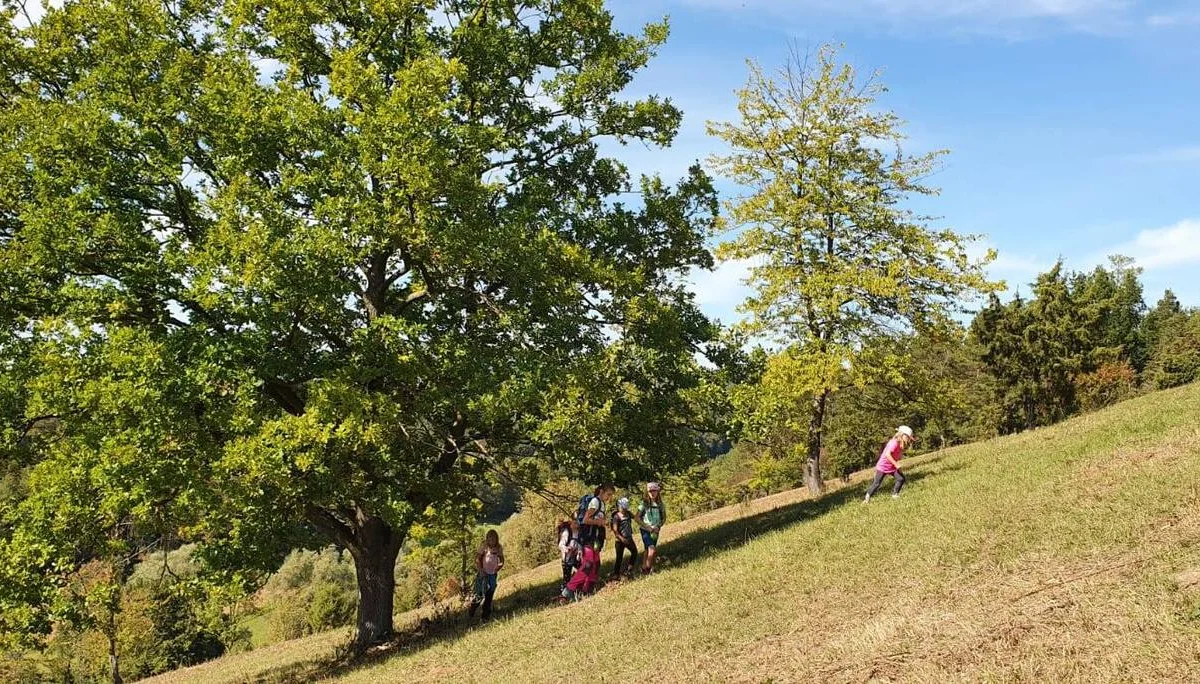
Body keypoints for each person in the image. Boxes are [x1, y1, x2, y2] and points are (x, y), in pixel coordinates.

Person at [864, 425, 915, 503]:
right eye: (908, 437)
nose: (909, 440)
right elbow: (888, 455)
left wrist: (897, 467)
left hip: (891, 466)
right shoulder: (894, 443)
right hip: (883, 467)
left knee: (901, 479)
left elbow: (896, 456)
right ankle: (867, 498)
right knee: (877, 484)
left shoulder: (900, 444)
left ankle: (895, 495)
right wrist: (896, 464)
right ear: (902, 435)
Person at [469, 529, 504, 620]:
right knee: (480, 593)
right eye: (490, 539)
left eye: (494, 539)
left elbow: (501, 559)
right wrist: (481, 571)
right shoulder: (484, 546)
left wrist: (500, 565)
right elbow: (477, 559)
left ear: (497, 539)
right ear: (487, 539)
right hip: (483, 573)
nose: (492, 541)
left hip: (492, 574)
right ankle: (472, 610)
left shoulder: (499, 547)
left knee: (490, 593)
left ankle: (485, 615)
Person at [636, 482, 666, 575]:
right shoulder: (643, 504)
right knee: (652, 549)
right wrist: (647, 527)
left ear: (658, 492)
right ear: (647, 492)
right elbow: (636, 517)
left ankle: (643, 567)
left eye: (654, 491)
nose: (652, 493)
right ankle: (648, 570)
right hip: (645, 530)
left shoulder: (660, 504)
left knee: (647, 550)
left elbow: (664, 517)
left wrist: (658, 526)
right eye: (650, 491)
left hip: (655, 531)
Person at [609, 497, 638, 580]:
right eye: (622, 508)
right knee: (619, 557)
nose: (624, 510)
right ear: (619, 507)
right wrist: (622, 539)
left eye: (625, 508)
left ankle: (629, 569)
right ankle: (616, 573)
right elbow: (615, 530)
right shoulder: (616, 517)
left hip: (629, 538)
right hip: (619, 541)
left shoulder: (628, 513)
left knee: (634, 552)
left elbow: (635, 517)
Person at [579, 484, 615, 551]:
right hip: (589, 538)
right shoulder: (595, 501)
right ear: (601, 492)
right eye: (608, 494)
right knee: (590, 560)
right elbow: (585, 520)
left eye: (611, 495)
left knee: (596, 559)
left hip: (596, 538)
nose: (610, 497)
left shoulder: (602, 504)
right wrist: (600, 522)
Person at [556, 519, 581, 589]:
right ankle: (564, 590)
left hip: (576, 557)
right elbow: (560, 545)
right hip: (567, 559)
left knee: (582, 570)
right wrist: (566, 548)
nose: (577, 524)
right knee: (567, 577)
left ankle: (577, 585)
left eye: (578, 522)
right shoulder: (567, 532)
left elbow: (579, 544)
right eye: (575, 522)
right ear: (571, 523)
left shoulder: (579, 533)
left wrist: (579, 551)